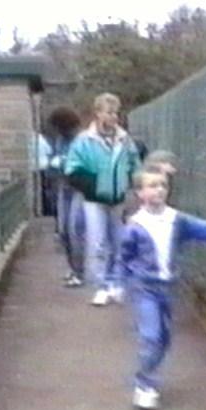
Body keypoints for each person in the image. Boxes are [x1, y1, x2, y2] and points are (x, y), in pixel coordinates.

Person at [117, 168, 206, 410]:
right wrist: (118, 283)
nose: (159, 189)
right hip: (145, 288)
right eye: (152, 185)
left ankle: (148, 372)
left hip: (167, 287)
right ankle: (145, 384)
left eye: (162, 185)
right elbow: (123, 257)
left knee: (164, 339)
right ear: (140, 193)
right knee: (151, 336)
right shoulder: (135, 226)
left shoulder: (176, 219)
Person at [64, 93, 141, 305]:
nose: (113, 116)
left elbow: (135, 165)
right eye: (109, 112)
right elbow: (72, 168)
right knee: (97, 242)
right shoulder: (83, 140)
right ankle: (101, 286)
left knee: (118, 242)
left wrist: (133, 187)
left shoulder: (125, 139)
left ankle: (116, 282)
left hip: (118, 199)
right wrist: (94, 185)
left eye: (116, 112)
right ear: (98, 113)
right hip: (94, 199)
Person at [48, 106, 85, 286]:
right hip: (64, 187)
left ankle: (80, 271)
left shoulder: (82, 139)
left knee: (75, 229)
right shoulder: (60, 140)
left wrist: (62, 162)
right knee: (63, 230)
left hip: (80, 188)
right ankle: (72, 268)